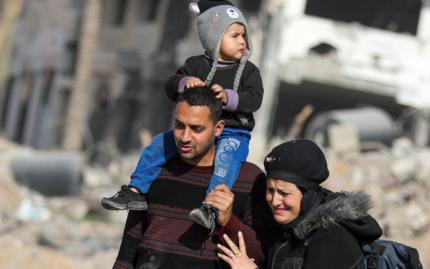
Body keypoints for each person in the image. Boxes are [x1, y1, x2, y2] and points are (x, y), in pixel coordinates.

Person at [101, 0, 264, 233]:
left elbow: (254, 99)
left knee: (225, 162)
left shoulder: (249, 71)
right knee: (158, 144)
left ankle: (210, 209)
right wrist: (186, 82)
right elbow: (171, 85)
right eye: (235, 35)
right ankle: (135, 192)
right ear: (213, 37)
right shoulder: (194, 65)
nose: (243, 41)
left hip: (233, 131)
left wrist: (229, 97)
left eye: (244, 35)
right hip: (196, 130)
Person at [112, 88, 266, 269]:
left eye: (196, 129)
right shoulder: (155, 172)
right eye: (179, 126)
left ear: (218, 128)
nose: (185, 137)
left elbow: (262, 254)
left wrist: (228, 221)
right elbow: (128, 250)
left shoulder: (249, 179)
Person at [217, 139, 383, 269]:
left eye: (284, 193)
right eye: (270, 190)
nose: (274, 201)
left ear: (307, 194)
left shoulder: (331, 236)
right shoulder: (285, 229)